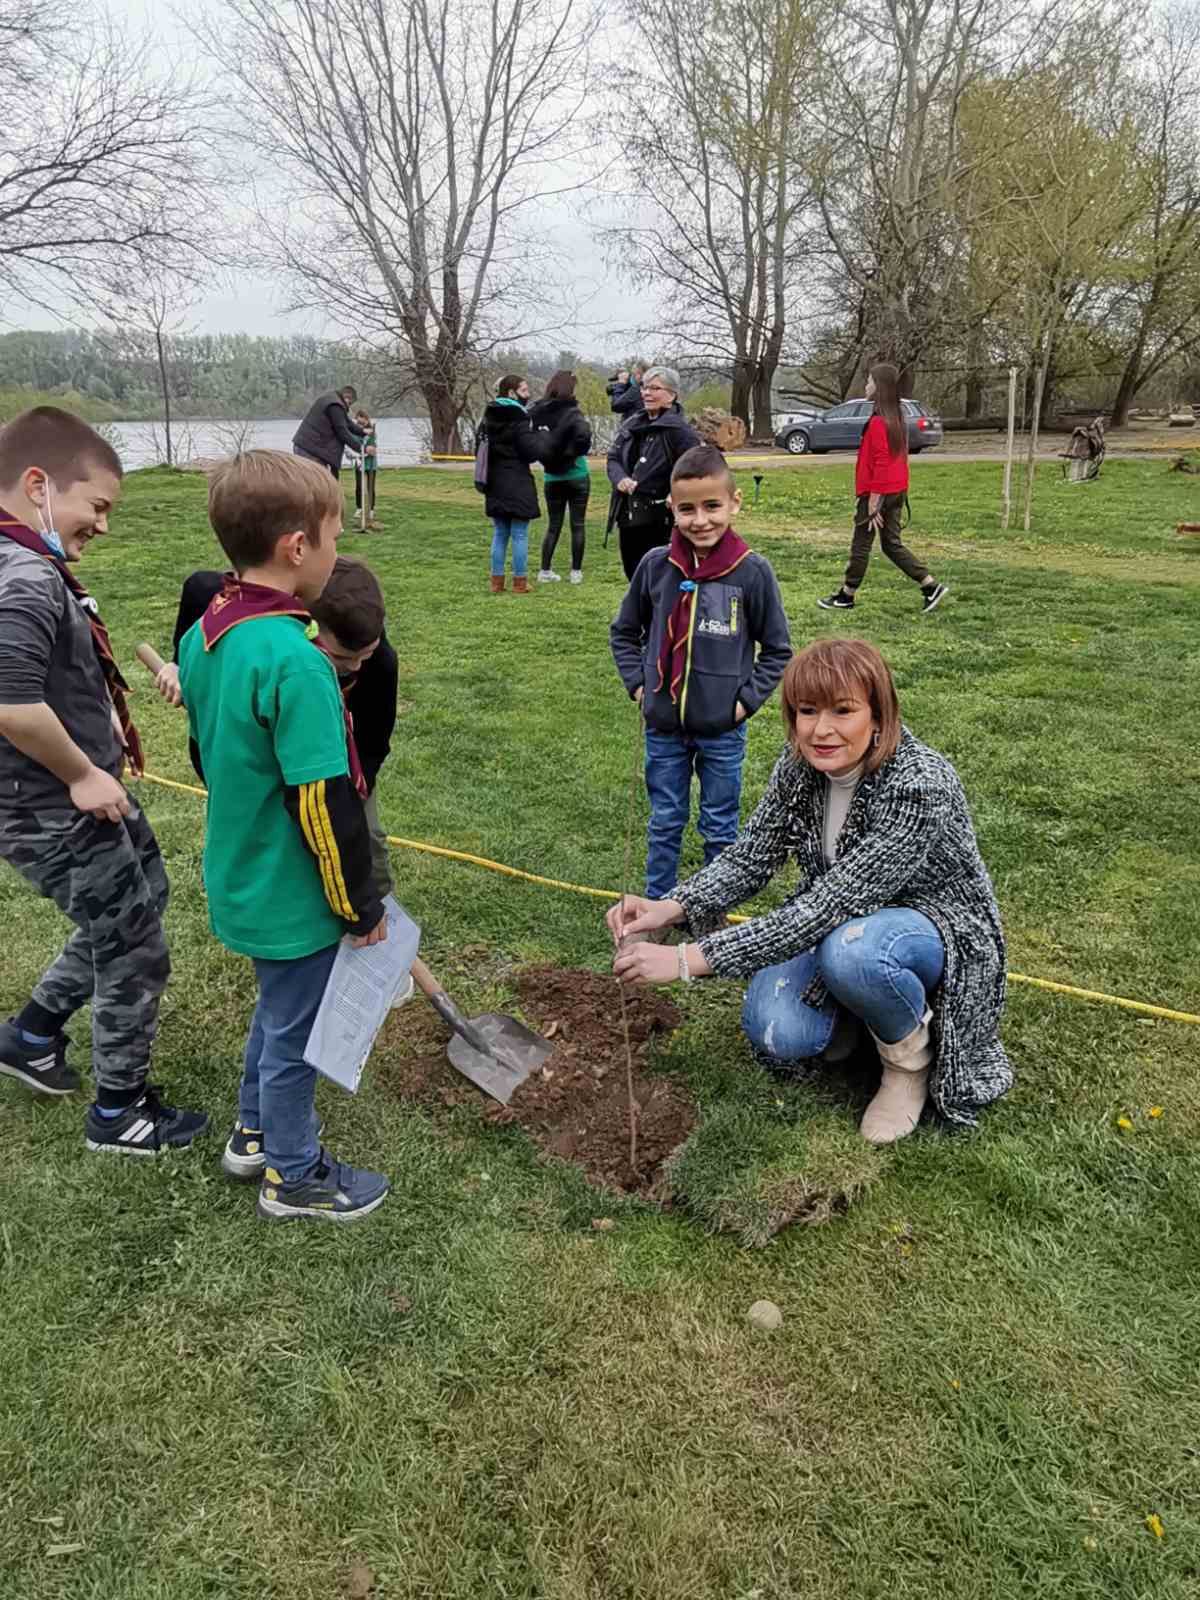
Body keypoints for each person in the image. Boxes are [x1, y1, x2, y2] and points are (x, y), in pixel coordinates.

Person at [608, 638, 1011, 1144]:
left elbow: (829, 904)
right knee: (776, 1031)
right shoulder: (800, 766)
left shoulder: (919, 783)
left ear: (878, 713)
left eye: (844, 711)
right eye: (806, 711)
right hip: (836, 921)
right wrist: (671, 906)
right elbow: (752, 855)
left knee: (855, 953)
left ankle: (907, 1064)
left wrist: (687, 959)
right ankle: (863, 1018)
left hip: (932, 927)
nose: (822, 730)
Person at [178, 450, 391, 1223]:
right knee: (298, 1034)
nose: (337, 553)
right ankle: (294, 1175)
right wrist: (358, 907)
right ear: (297, 547)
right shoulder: (297, 663)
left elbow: (207, 754)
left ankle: (253, 1132)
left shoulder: (207, 632)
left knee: (276, 1012)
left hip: (239, 869)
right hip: (290, 891)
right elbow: (322, 805)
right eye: (333, 535)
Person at [0, 406, 208, 1151]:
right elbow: (10, 702)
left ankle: (31, 1036)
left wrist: (107, 722)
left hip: (70, 787)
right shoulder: (22, 575)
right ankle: (120, 1113)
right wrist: (84, 773)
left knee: (142, 898)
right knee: (135, 948)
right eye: (98, 506)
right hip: (49, 803)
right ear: (37, 485)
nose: (104, 525)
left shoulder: (27, 562)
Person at [610, 444, 792, 902]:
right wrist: (638, 686)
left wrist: (743, 702)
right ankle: (656, 905)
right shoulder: (655, 567)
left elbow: (777, 650)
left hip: (722, 731)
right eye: (687, 509)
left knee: (719, 823)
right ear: (672, 509)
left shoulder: (751, 573)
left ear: (734, 503)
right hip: (663, 728)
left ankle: (711, 910)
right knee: (666, 817)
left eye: (712, 506)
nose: (701, 520)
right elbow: (624, 632)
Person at [818, 362, 948, 614]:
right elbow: (896, 459)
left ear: (879, 387)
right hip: (896, 490)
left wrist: (874, 501)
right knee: (891, 544)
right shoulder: (896, 416)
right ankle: (930, 586)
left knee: (861, 544)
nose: (866, 385)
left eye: (869, 381)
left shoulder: (880, 422)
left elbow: (881, 461)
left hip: (879, 493)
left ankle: (846, 596)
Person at [607, 366, 702, 580]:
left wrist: (678, 493)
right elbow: (613, 458)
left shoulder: (680, 432)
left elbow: (697, 468)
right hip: (629, 516)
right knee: (635, 577)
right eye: (644, 387)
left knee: (660, 580)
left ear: (672, 395)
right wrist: (620, 478)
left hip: (661, 521)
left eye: (655, 388)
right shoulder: (632, 424)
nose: (646, 393)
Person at [479, 375, 567, 594]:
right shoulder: (519, 417)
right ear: (512, 392)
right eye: (525, 390)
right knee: (519, 533)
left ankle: (496, 582)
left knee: (500, 533)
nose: (528, 395)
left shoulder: (487, 417)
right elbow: (530, 452)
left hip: (494, 479)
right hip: (517, 479)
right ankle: (520, 581)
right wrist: (541, 437)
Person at [529, 370, 592, 585]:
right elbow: (584, 435)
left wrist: (546, 455)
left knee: (554, 524)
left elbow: (532, 437)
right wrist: (574, 452)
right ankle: (576, 572)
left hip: (552, 477)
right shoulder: (574, 413)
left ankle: (545, 570)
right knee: (578, 524)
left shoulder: (538, 412)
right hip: (577, 473)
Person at [292, 384, 368, 478]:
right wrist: (362, 449)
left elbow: (347, 423)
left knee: (323, 483)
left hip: (308, 447)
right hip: (309, 450)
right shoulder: (335, 405)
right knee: (317, 483)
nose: (349, 407)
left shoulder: (332, 400)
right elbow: (342, 432)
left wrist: (363, 431)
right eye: (350, 403)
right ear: (346, 397)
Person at [352, 408, 380, 528]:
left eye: (362, 421)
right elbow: (354, 444)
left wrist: (369, 451)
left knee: (370, 487)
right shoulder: (355, 431)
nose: (360, 423)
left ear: (366, 419)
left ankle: (371, 509)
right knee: (359, 486)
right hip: (360, 461)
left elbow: (373, 446)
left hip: (371, 463)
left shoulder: (372, 431)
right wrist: (361, 452)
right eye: (358, 422)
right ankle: (359, 508)